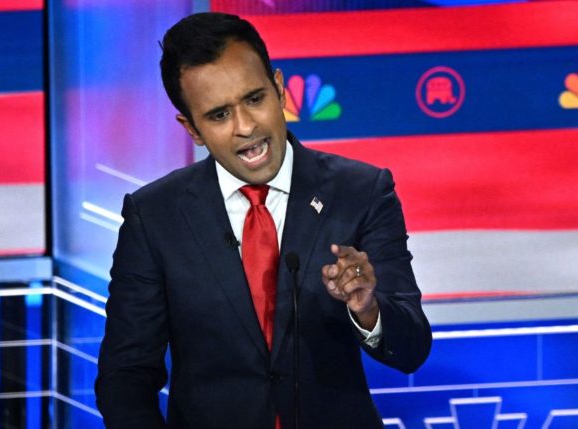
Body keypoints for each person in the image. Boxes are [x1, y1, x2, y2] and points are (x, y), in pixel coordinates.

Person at [95, 12, 431, 429]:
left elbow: (412, 347)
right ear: (192, 128)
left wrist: (367, 309)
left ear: (278, 87)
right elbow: (125, 377)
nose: (246, 127)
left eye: (255, 99)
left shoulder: (360, 192)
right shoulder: (155, 217)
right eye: (219, 115)